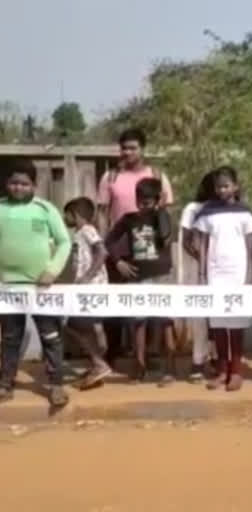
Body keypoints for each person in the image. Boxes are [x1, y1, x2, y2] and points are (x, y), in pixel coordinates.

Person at [97, 128, 174, 365]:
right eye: (124, 148)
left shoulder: (158, 175)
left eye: (133, 147)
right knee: (117, 304)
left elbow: (166, 213)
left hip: (150, 252)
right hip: (119, 251)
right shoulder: (110, 178)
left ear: (142, 149)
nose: (128, 152)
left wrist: (165, 245)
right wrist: (108, 252)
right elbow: (102, 215)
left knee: (152, 306)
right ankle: (113, 354)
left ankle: (150, 355)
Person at [0, 159, 72, 406]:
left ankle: (56, 385)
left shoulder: (45, 209)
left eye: (24, 183)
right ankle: (5, 383)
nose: (18, 188)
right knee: (10, 338)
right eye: (13, 183)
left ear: (34, 185)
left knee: (51, 336)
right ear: (6, 184)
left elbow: (64, 242)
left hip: (42, 287)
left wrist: (52, 270)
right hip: (8, 289)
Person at [105, 178, 177, 385]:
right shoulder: (128, 219)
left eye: (148, 200)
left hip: (162, 275)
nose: (143, 204)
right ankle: (139, 366)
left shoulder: (162, 217)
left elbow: (165, 236)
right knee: (138, 322)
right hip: (137, 276)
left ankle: (169, 369)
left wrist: (160, 210)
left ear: (157, 200)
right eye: (140, 200)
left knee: (165, 321)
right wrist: (118, 262)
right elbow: (109, 241)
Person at [195, 167, 252, 392]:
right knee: (220, 324)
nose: (222, 190)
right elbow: (202, 244)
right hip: (215, 273)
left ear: (235, 187)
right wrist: (202, 273)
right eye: (218, 186)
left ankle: (237, 372)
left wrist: (251, 273)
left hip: (238, 273)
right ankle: (223, 370)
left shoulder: (245, 213)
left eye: (226, 185)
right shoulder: (207, 213)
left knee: (236, 325)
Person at [63, 197, 111, 390]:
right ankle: (97, 364)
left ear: (76, 215)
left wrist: (87, 276)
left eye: (67, 214)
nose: (64, 218)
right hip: (87, 288)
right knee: (89, 326)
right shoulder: (79, 233)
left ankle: (99, 363)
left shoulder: (88, 230)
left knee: (74, 324)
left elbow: (102, 252)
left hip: (91, 288)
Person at [178, 171, 216, 383]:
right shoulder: (193, 209)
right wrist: (204, 261)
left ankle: (218, 360)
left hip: (221, 271)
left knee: (218, 317)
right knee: (200, 317)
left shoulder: (224, 211)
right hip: (198, 270)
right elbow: (186, 241)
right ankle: (198, 362)